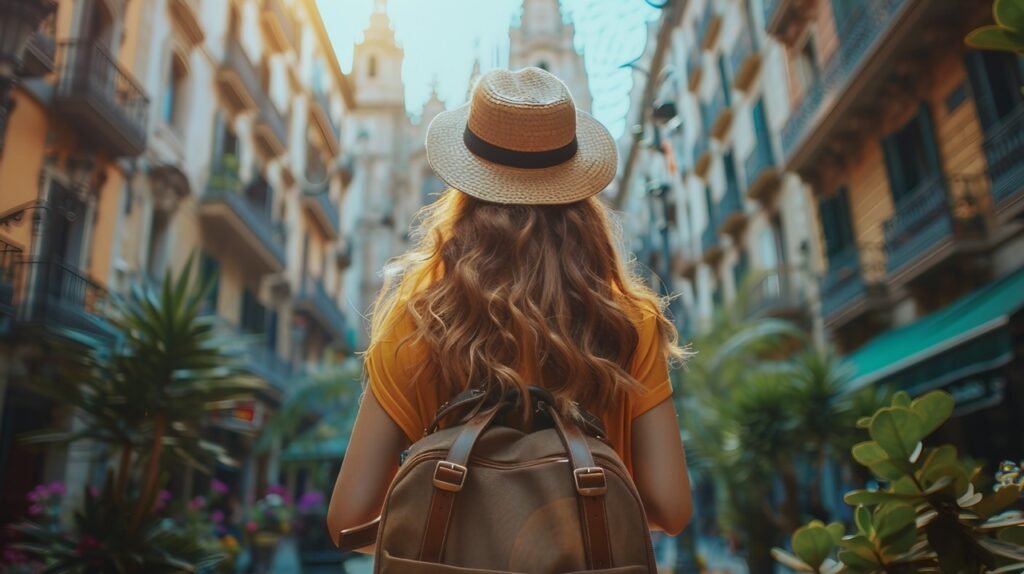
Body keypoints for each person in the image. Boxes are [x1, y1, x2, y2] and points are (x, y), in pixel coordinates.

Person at [326, 67, 692, 550]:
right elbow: (671, 506)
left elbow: (348, 521)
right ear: (579, 195)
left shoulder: (419, 323)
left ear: (466, 190)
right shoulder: (630, 323)